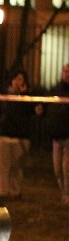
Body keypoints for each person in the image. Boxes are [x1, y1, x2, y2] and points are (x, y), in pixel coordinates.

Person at [0, 69, 37, 200]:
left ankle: (15, 192)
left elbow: (33, 112)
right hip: (4, 135)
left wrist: (25, 97)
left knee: (17, 168)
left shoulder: (28, 98)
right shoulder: (4, 96)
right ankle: (2, 192)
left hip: (20, 137)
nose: (18, 81)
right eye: (16, 78)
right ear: (11, 80)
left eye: (21, 79)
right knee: (3, 167)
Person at [36, 62, 69, 204]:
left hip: (68, 137)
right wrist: (41, 112)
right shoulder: (54, 90)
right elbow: (46, 108)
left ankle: (67, 195)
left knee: (66, 168)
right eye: (66, 71)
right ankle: (64, 192)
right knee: (57, 169)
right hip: (56, 137)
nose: (67, 74)